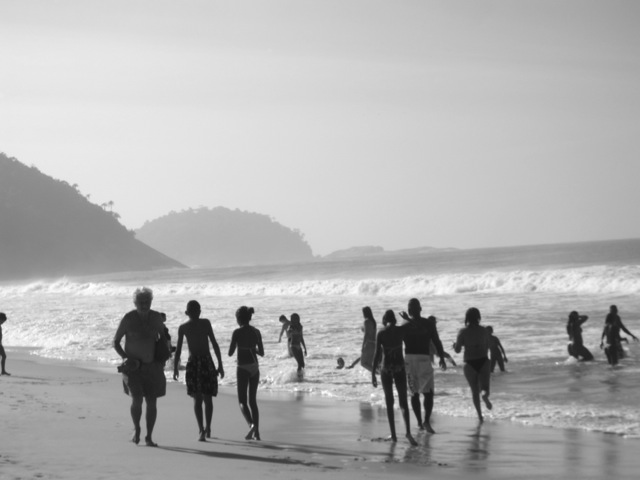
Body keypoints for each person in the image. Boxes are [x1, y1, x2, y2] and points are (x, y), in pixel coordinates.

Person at [113, 287, 167, 446]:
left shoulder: (156, 317)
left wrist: (163, 358)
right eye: (141, 302)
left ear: (151, 302)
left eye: (147, 302)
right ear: (135, 303)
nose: (144, 305)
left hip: (152, 368)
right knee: (136, 400)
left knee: (152, 402)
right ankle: (137, 428)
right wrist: (125, 358)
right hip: (132, 368)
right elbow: (115, 342)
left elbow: (164, 339)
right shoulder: (129, 318)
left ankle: (149, 436)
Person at [173, 300, 225, 441]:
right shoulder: (205, 323)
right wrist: (220, 364)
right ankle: (207, 428)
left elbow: (178, 350)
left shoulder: (183, 327)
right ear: (199, 311)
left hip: (194, 363)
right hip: (206, 361)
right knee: (207, 398)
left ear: (186, 313)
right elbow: (214, 344)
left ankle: (202, 429)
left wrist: (175, 368)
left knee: (197, 398)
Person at [399, 298, 447, 434]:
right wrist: (442, 357)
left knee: (413, 393)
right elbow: (437, 341)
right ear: (421, 309)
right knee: (428, 393)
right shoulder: (428, 324)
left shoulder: (404, 324)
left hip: (409, 360)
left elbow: (397, 342)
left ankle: (420, 423)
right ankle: (426, 421)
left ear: (408, 311)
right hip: (424, 359)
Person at [371, 310, 417, 446]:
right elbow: (415, 326)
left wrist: (373, 373)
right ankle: (408, 432)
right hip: (399, 367)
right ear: (395, 320)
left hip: (386, 368)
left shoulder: (381, 333)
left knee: (389, 402)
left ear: (385, 320)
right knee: (403, 402)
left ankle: (394, 435)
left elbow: (376, 354)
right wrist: (407, 318)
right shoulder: (401, 330)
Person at [229, 306, 264, 440]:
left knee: (242, 401)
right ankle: (257, 434)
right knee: (253, 401)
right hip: (255, 366)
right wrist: (251, 348)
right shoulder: (256, 332)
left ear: (238, 319)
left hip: (242, 367)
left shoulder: (237, 332)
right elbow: (261, 352)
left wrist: (238, 345)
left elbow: (230, 353)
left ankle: (251, 425)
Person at [453, 307, 492, 423]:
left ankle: (480, 416)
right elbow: (488, 346)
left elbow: (458, 350)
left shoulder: (463, 332)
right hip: (483, 361)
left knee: (474, 391)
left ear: (467, 318)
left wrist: (455, 345)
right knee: (485, 387)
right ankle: (485, 396)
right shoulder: (484, 331)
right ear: (478, 317)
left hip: (469, 363)